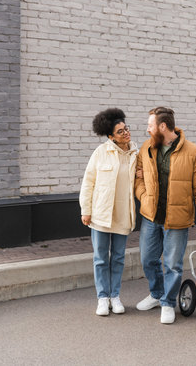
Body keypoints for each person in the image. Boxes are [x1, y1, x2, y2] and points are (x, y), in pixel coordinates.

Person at [135, 107, 196, 324]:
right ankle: (156, 293)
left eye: (150, 125)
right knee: (148, 259)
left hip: (177, 219)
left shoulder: (194, 152)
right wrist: (143, 196)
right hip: (151, 216)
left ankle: (168, 302)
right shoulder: (147, 147)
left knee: (172, 264)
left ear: (162, 127)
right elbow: (138, 177)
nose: (147, 129)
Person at [79, 108, 137, 316]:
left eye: (126, 129)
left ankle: (115, 296)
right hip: (100, 214)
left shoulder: (135, 154)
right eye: (120, 132)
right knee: (101, 258)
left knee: (118, 257)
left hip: (123, 214)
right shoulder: (100, 153)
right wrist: (86, 210)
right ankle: (102, 298)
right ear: (111, 136)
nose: (125, 133)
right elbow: (88, 183)